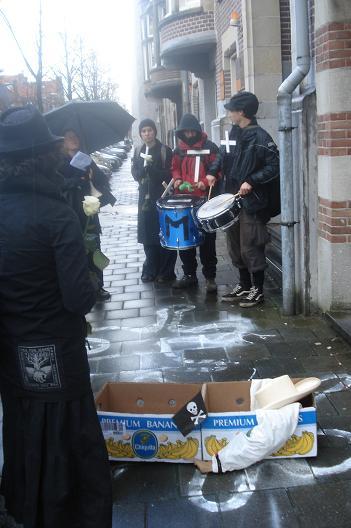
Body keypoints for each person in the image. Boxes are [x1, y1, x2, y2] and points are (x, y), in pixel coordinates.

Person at [0, 105, 112, 528]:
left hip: (11, 352)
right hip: (56, 354)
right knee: (67, 438)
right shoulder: (55, 216)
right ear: (46, 157)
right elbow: (79, 298)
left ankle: (26, 506)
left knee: (23, 428)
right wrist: (90, 263)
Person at [207, 91, 280, 307]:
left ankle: (257, 290)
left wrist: (252, 181)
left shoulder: (261, 137)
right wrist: (212, 171)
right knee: (234, 245)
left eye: (231, 110)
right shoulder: (232, 134)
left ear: (242, 112)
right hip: (231, 200)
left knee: (250, 245)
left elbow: (275, 166)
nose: (228, 114)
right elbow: (221, 155)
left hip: (252, 201)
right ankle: (245, 285)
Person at [57, 128, 116, 302]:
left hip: (89, 212)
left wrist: (91, 177)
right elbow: (59, 185)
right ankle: (83, 288)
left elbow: (102, 181)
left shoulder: (87, 159)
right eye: (69, 137)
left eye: (75, 136)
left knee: (94, 248)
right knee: (77, 252)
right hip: (71, 212)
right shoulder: (59, 163)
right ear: (63, 141)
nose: (73, 140)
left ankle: (98, 287)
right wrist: (77, 180)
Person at [171, 113, 219, 293]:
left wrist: (205, 182)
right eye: (186, 132)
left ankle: (210, 277)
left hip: (205, 200)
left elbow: (217, 168)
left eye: (192, 132)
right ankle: (189, 275)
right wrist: (176, 179)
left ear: (197, 131)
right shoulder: (178, 150)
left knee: (207, 240)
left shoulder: (209, 147)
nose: (189, 135)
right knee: (185, 240)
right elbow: (175, 167)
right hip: (183, 200)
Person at [131, 118, 177, 283]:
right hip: (144, 199)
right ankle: (150, 269)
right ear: (140, 134)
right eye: (143, 131)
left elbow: (170, 174)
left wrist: (154, 171)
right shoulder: (138, 151)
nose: (147, 133)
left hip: (162, 197)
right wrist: (140, 173)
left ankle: (166, 271)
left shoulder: (165, 150)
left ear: (154, 132)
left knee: (164, 233)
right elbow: (134, 172)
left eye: (149, 130)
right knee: (148, 235)